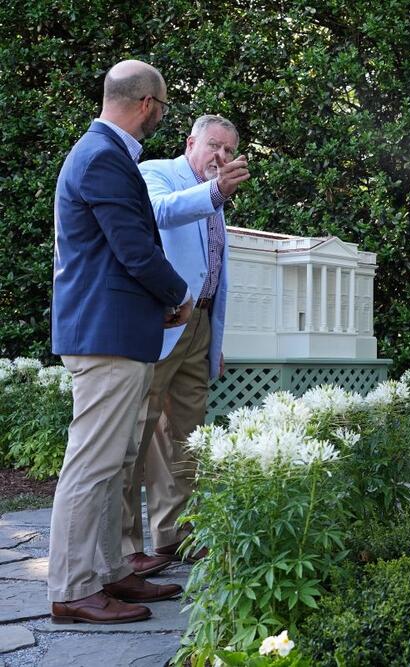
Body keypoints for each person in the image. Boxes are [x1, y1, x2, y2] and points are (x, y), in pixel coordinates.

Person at [49, 59, 190, 624]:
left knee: (116, 460)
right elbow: (133, 248)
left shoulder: (102, 154)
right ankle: (73, 587)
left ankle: (107, 573)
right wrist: (176, 294)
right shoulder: (103, 157)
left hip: (118, 331)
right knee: (92, 465)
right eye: (162, 107)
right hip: (105, 334)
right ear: (147, 105)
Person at [120, 115, 249, 574]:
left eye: (230, 151)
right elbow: (156, 214)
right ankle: (126, 548)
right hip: (162, 321)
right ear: (191, 141)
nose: (222, 157)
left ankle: (175, 536)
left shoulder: (215, 196)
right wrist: (214, 193)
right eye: (215, 146)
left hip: (201, 325)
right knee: (136, 434)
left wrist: (214, 341)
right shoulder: (157, 173)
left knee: (186, 440)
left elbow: (213, 271)